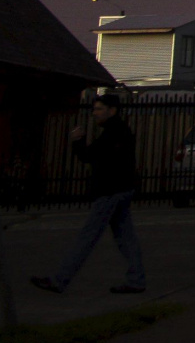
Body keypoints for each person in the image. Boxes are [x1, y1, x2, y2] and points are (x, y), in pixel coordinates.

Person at [30, 93, 146, 294]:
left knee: (88, 237)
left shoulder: (114, 133)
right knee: (126, 238)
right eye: (94, 109)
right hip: (121, 190)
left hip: (110, 192)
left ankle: (59, 280)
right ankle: (136, 280)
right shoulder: (119, 130)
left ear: (112, 110)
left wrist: (77, 141)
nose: (95, 113)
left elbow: (89, 156)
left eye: (99, 109)